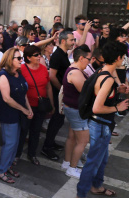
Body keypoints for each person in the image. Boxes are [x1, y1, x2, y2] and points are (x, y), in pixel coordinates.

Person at [76, 41, 129, 198]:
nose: (125, 59)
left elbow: (103, 93)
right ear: (118, 57)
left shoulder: (103, 71)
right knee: (92, 163)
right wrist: (118, 107)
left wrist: (117, 90)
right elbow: (97, 108)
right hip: (100, 125)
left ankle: (96, 185)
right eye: (124, 56)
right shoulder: (108, 80)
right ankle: (81, 194)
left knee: (102, 159)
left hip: (101, 125)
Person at [0, 48, 32, 183]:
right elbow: (7, 98)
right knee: (10, 143)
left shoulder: (18, 73)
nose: (21, 60)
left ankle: (8, 166)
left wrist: (28, 108)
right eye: (19, 58)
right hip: (9, 114)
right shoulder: (3, 75)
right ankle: (1, 170)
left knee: (15, 142)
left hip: (20, 112)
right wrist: (24, 109)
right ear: (10, 60)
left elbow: (24, 93)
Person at [14, 45, 54, 167]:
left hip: (40, 106)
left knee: (36, 131)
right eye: (36, 55)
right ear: (28, 57)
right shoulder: (21, 69)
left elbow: (48, 86)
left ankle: (32, 154)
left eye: (39, 54)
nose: (39, 57)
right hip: (26, 106)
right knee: (23, 131)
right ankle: (17, 154)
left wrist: (52, 104)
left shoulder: (43, 68)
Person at [42, 31, 75, 161]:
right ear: (63, 41)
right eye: (71, 40)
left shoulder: (63, 54)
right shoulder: (57, 56)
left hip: (60, 93)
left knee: (59, 120)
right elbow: (52, 76)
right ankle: (47, 147)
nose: (73, 42)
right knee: (56, 120)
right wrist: (62, 89)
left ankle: (51, 142)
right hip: (57, 94)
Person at [61, 45, 91, 179]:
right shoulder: (76, 73)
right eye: (88, 59)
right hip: (76, 111)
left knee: (72, 137)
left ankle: (67, 163)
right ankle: (72, 169)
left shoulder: (74, 69)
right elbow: (86, 94)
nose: (89, 62)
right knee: (83, 141)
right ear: (81, 58)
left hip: (71, 109)